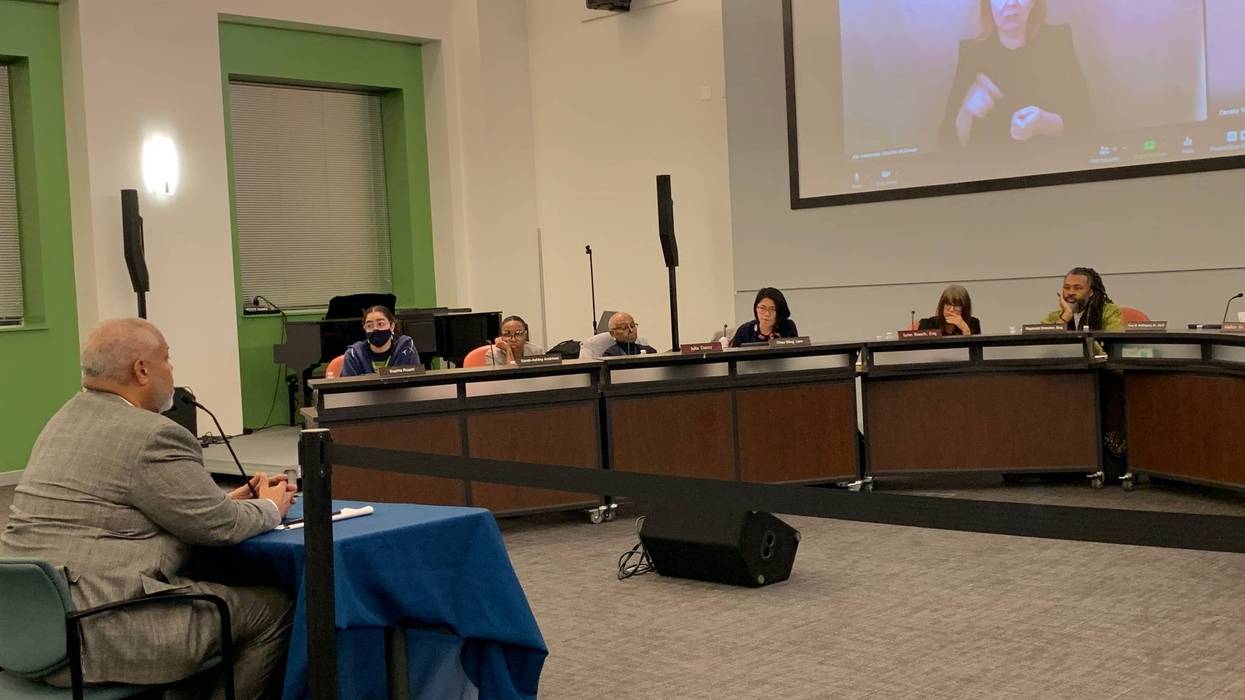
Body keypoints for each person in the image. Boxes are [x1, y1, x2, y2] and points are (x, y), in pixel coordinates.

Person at [0, 318, 297, 698]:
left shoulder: (62, 422)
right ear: (142, 369)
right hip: (100, 629)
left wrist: (233, 498)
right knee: (272, 610)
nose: (172, 372)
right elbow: (218, 528)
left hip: (28, 630)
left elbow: (125, 507)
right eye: (167, 361)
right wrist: (271, 507)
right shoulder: (153, 434)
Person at [939, 0, 1092, 150]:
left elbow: (1085, 123)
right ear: (988, 3)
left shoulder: (1057, 41)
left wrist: (1044, 123)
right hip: (991, 171)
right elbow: (946, 144)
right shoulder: (971, 54)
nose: (1011, 3)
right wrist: (966, 112)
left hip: (1049, 169)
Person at [341, 305, 419, 376]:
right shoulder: (354, 354)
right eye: (369, 326)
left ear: (391, 326)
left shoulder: (406, 347)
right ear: (365, 329)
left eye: (380, 324)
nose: (375, 329)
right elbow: (349, 388)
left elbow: (416, 382)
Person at [1041, 267, 1124, 331]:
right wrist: (1065, 318)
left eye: (1077, 288)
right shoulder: (1054, 317)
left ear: (1091, 292)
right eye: (1067, 287)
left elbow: (1115, 345)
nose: (1070, 292)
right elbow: (1043, 347)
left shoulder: (1109, 312)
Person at [730, 287, 799, 347]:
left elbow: (795, 357)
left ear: (779, 311)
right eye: (762, 308)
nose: (767, 314)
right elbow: (734, 359)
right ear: (755, 308)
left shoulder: (788, 327)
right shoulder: (745, 331)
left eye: (772, 309)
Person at [918, 284, 982, 336]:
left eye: (956, 305)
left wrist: (965, 330)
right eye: (948, 305)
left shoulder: (973, 324)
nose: (951, 310)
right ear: (942, 306)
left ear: (964, 308)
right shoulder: (927, 324)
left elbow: (975, 350)